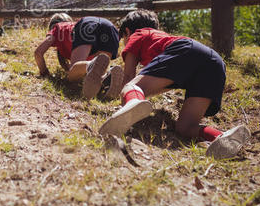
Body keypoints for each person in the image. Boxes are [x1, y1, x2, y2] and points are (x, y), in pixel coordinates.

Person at [99, 9, 251, 159]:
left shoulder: (137, 34)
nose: (125, 44)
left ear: (127, 31)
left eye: (123, 38)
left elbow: (128, 76)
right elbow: (163, 81)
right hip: (215, 64)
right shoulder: (161, 40)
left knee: (132, 87)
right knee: (185, 128)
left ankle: (131, 106)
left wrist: (120, 99)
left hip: (187, 50)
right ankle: (223, 138)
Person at [34, 13, 123, 100]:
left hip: (88, 27)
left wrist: (44, 73)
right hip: (110, 28)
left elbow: (38, 53)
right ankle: (108, 77)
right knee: (100, 71)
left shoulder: (57, 28)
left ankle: (89, 65)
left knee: (72, 76)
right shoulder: (73, 30)